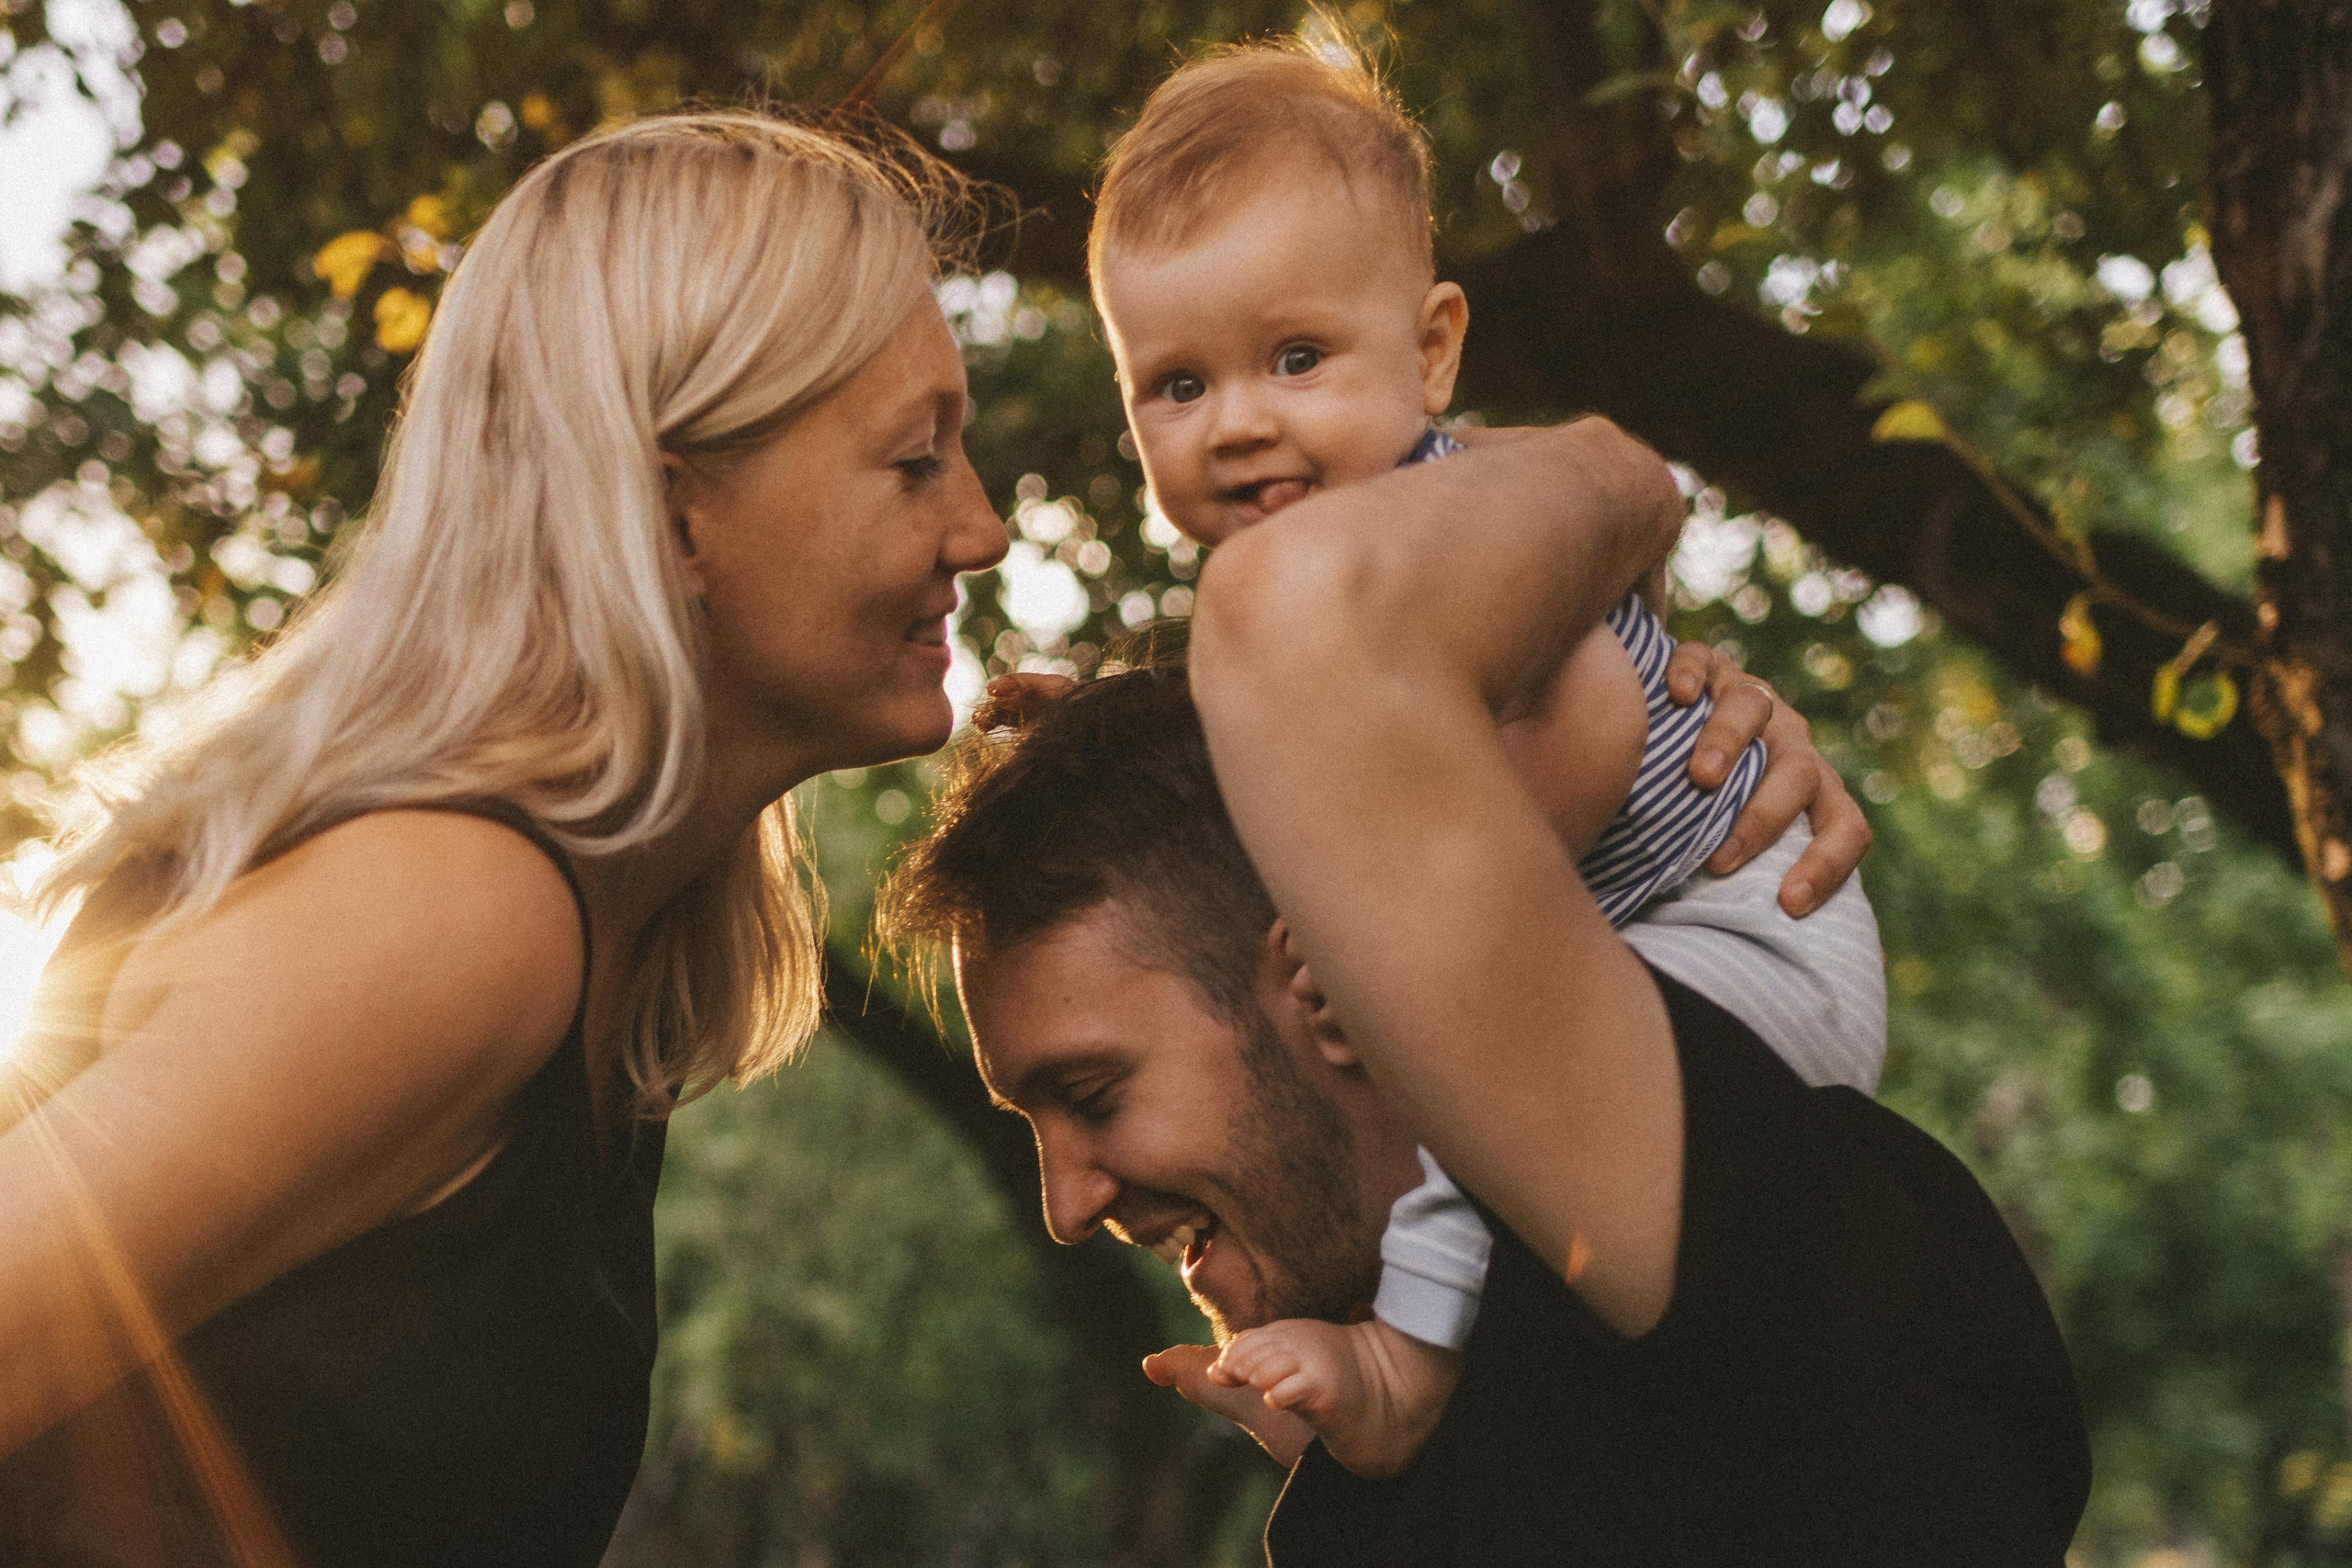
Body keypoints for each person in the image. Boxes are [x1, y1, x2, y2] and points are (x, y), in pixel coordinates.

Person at [0, 110, 1015, 1565]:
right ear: (674, 512)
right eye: (915, 460)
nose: (981, 527)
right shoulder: (455, 913)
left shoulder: (611, 948)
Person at [881, 425, 2090, 1562]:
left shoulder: (1738, 1244)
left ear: (1328, 977)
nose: (1066, 1205)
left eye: (1092, 1092)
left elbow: (1305, 603)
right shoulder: (1370, 1479)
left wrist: (1623, 486)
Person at [1078, 36, 1887, 1474]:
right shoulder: (1342, 562)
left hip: (1746, 939)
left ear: (1434, 350)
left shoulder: (1461, 526)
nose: (1240, 422)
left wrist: (1409, 926)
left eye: (1297, 359)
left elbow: (1592, 720)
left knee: (1467, 1073)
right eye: (1177, 385)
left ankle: (1413, 1359)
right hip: (1675, 957)